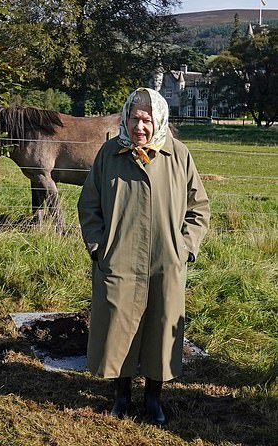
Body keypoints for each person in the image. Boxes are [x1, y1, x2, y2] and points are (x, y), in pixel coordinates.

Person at [77, 87, 209, 426]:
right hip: (119, 258)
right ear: (125, 118)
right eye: (135, 118)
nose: (140, 127)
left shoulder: (178, 155)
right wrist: (97, 245)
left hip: (165, 260)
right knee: (119, 326)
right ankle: (121, 396)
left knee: (161, 327)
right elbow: (89, 205)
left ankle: (153, 399)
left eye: (147, 120)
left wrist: (185, 248)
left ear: (159, 121)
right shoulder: (110, 153)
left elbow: (199, 208)